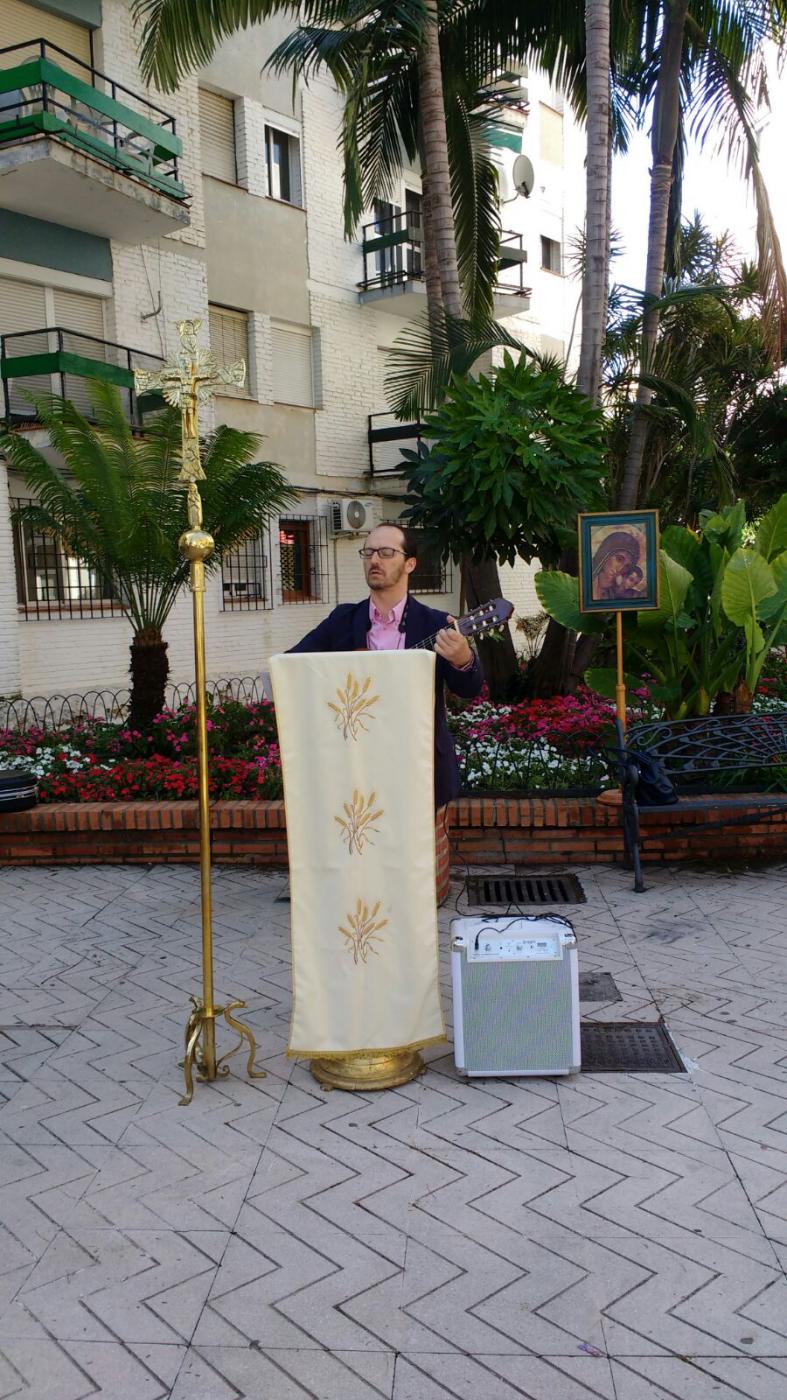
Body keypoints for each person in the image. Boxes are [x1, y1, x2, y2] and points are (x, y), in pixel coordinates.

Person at [288, 522, 484, 808]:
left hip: (417, 768)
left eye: (386, 552)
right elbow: (293, 667)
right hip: (352, 768)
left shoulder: (435, 624)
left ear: (410, 564)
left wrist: (464, 659)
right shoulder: (342, 620)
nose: (374, 560)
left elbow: (470, 688)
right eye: (368, 552)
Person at [591, 530, 644, 602]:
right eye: (619, 559)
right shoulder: (584, 583)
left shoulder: (615, 594)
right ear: (605, 553)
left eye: (627, 566)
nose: (620, 569)